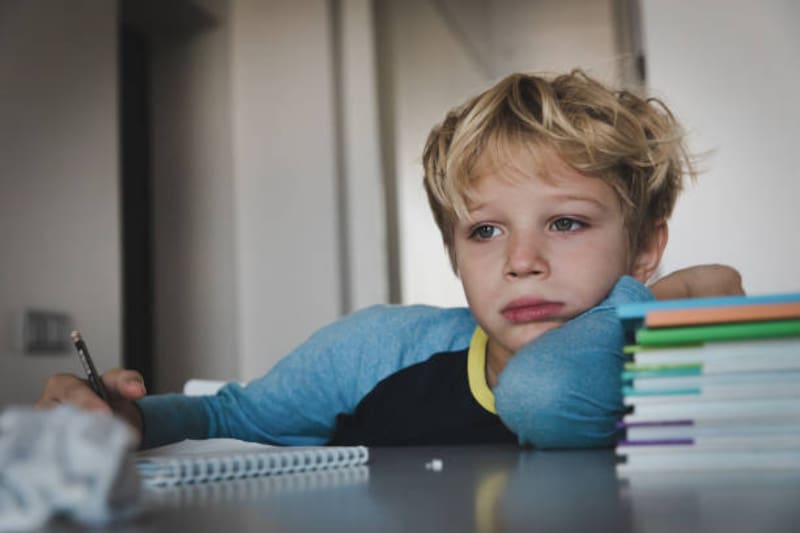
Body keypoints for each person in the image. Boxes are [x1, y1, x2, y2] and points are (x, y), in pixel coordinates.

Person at [37, 70, 743, 449]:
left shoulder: (674, 363)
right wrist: (130, 421)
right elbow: (228, 416)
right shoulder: (376, 352)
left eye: (564, 221)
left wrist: (648, 308)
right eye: (484, 232)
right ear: (452, 252)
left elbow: (548, 394)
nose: (521, 261)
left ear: (646, 245)